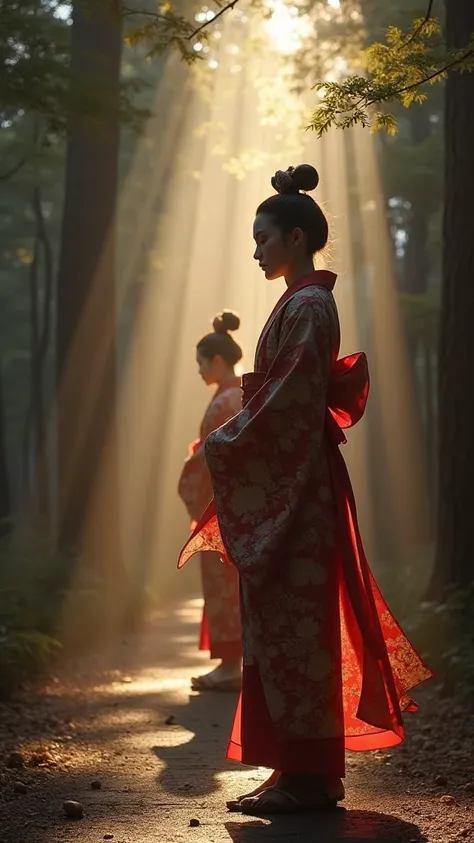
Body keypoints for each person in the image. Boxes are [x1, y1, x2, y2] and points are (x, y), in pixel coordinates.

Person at [178, 164, 433, 813]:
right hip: (293, 481)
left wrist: (226, 442)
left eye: (263, 237)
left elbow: (291, 401)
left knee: (301, 630)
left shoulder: (310, 304)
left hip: (299, 488)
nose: (256, 249)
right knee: (280, 628)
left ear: (295, 237)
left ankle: (311, 773)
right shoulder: (300, 301)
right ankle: (292, 767)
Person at [178, 311, 243, 692]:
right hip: (244, 507)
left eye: (201, 362)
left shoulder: (223, 403)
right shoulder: (243, 394)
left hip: (222, 509)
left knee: (223, 583)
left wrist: (190, 475)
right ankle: (236, 662)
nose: (200, 370)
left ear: (216, 361)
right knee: (236, 584)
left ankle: (230, 665)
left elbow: (209, 460)